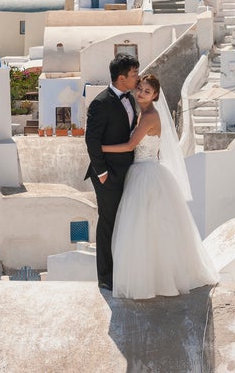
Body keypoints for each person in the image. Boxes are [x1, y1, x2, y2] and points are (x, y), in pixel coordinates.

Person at [101, 74, 218, 299]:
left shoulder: (149, 116)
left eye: (147, 91)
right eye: (140, 89)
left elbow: (130, 145)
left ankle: (155, 281)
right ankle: (151, 279)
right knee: (146, 229)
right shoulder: (142, 114)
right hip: (143, 171)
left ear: (155, 95)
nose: (142, 94)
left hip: (146, 173)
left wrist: (100, 148)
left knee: (145, 228)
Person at [84, 53, 140, 291]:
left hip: (128, 171)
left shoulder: (130, 98)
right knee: (108, 222)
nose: (137, 78)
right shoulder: (100, 103)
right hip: (108, 174)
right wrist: (102, 172)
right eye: (134, 74)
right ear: (121, 78)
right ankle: (106, 277)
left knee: (124, 221)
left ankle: (124, 269)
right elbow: (91, 140)